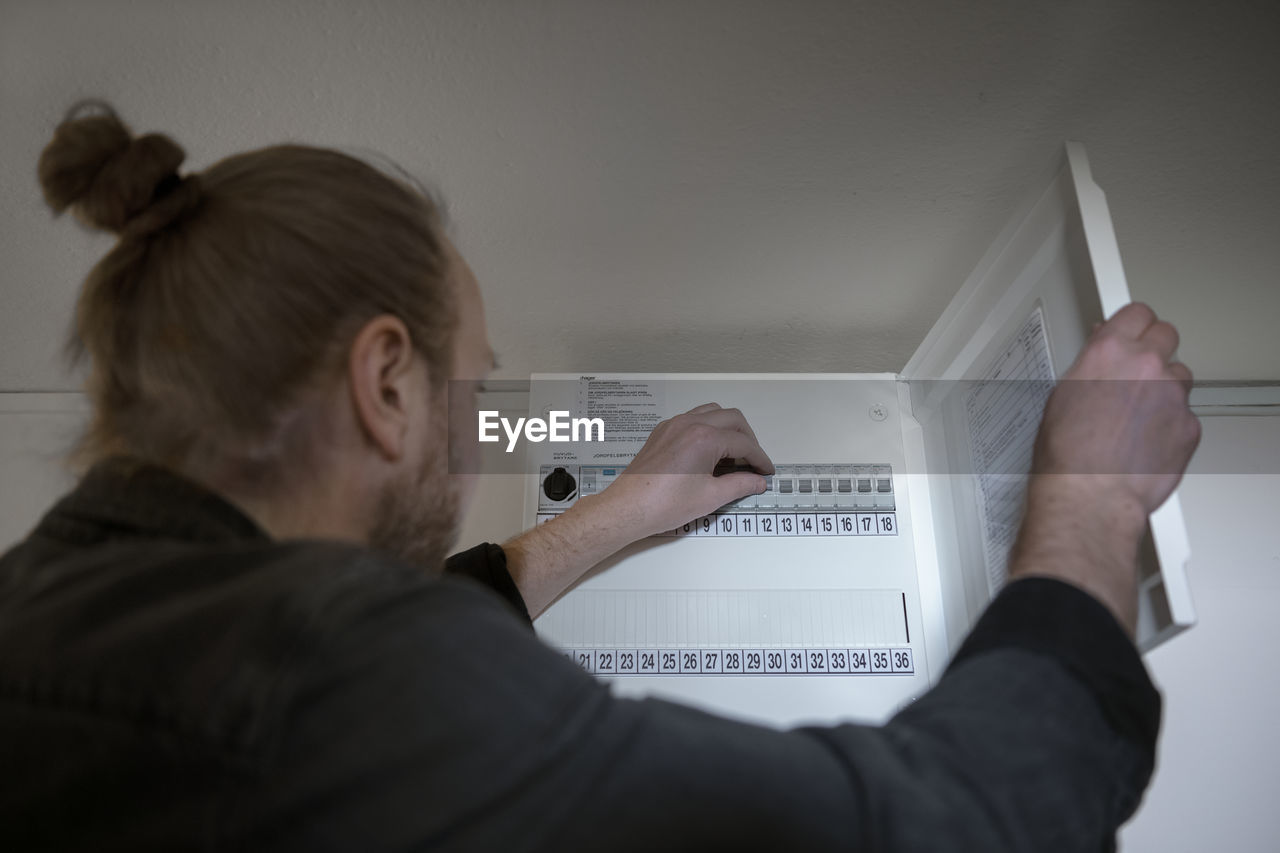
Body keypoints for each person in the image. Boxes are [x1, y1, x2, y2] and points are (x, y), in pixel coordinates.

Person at [0, 102, 1199, 851]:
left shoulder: (54, 605)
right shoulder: (341, 679)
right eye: (478, 392)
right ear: (385, 383)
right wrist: (1087, 497)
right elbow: (935, 827)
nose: (487, 441)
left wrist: (608, 518)